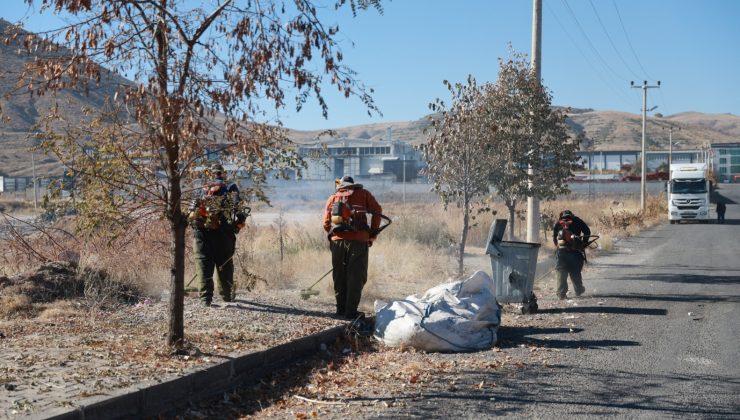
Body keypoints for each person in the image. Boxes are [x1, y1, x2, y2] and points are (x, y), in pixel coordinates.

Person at [323, 175, 382, 319]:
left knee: (339, 275)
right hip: (358, 241)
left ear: (341, 185)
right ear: (353, 184)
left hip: (337, 242)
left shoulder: (333, 197)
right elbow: (378, 211)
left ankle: (340, 310)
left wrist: (336, 235)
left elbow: (326, 223)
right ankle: (350, 312)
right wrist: (372, 233)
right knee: (356, 276)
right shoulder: (364, 194)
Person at [188, 162, 247, 307]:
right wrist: (237, 225)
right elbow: (240, 212)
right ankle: (226, 296)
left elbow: (190, 213)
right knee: (225, 265)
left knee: (203, 265)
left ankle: (205, 300)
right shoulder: (230, 188)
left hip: (202, 235)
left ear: (209, 173)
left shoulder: (200, 188)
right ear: (222, 173)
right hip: (224, 235)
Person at [552, 209, 591, 300]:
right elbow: (587, 232)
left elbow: (554, 237)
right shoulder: (578, 221)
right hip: (576, 252)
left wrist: (558, 246)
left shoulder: (558, 223)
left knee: (561, 272)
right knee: (575, 272)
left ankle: (561, 293)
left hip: (561, 253)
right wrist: (584, 244)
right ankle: (579, 290)